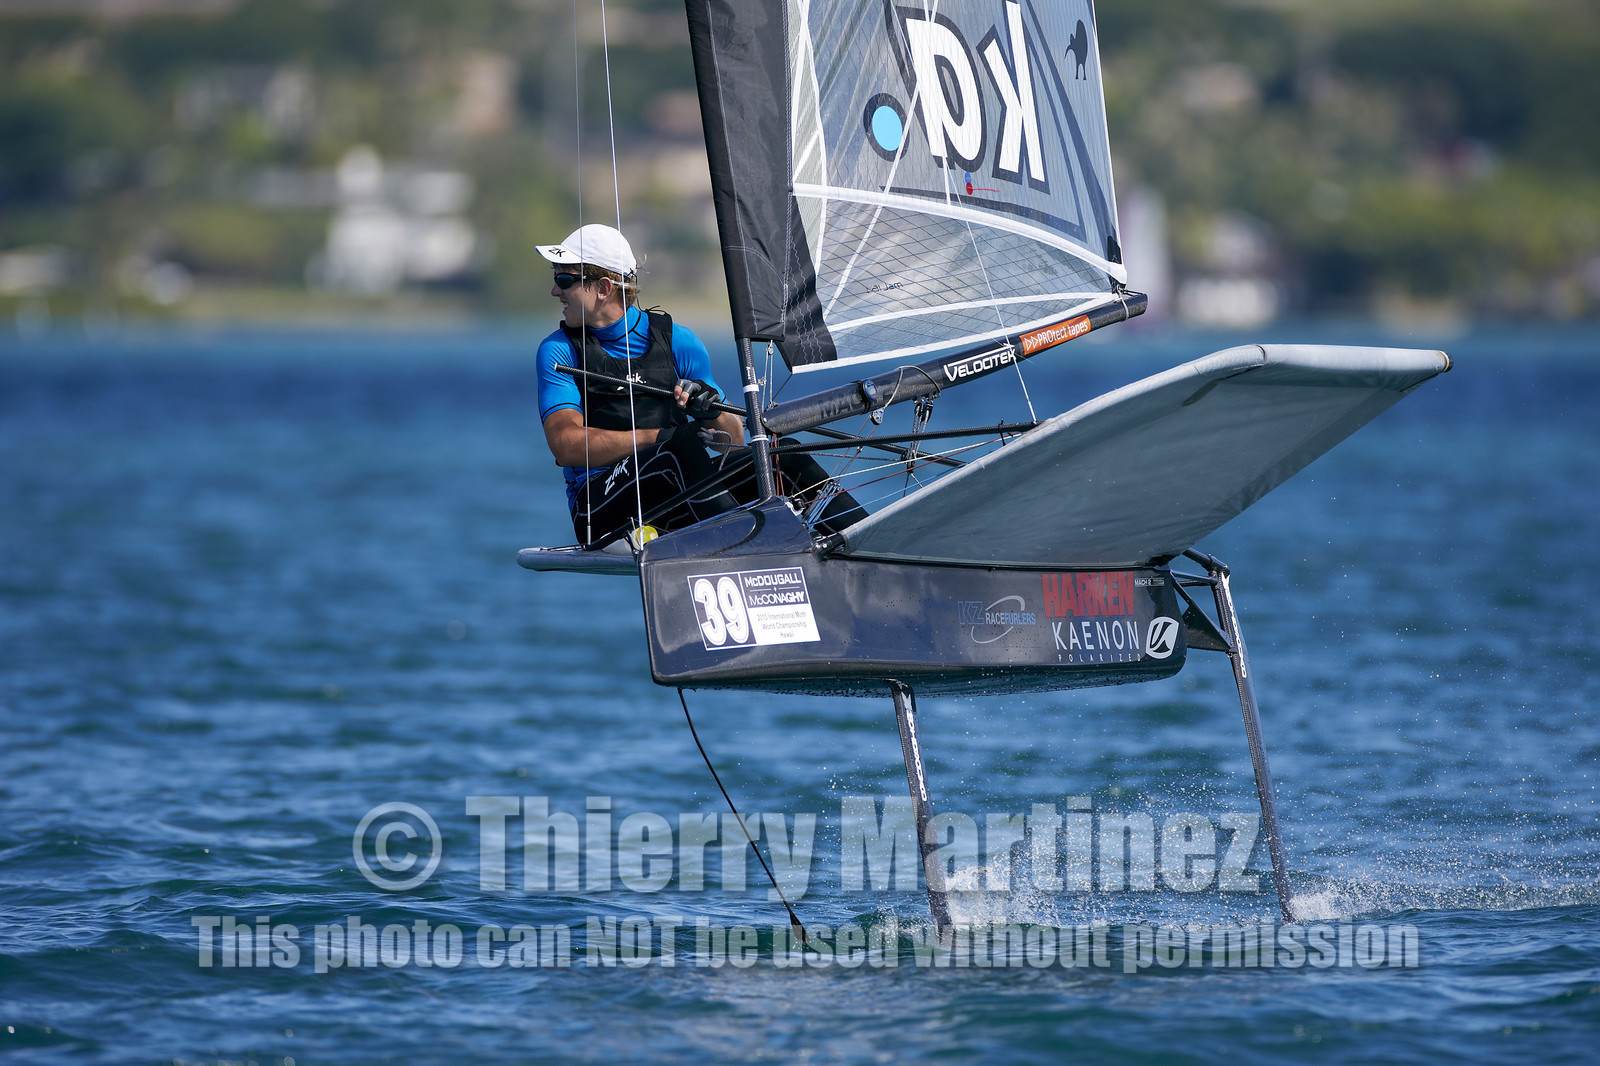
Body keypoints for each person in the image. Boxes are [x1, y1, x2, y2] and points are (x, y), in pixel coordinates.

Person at [534, 224, 862, 548]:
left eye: (564, 280)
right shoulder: (559, 351)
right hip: (597, 508)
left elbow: (732, 441)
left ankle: (872, 540)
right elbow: (565, 445)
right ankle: (754, 546)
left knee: (784, 457)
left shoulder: (680, 341)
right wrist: (661, 438)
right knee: (679, 447)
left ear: (604, 288)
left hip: (677, 488)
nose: (554, 291)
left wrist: (709, 411)